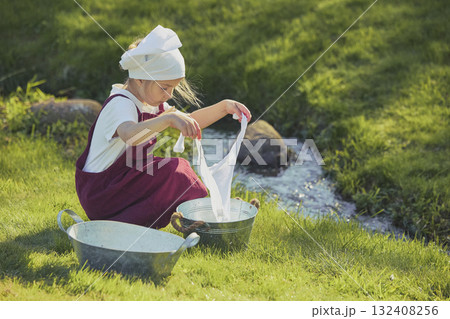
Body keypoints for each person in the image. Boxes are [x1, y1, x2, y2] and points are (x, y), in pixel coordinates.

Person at [75, 25, 252, 229]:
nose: (169, 95)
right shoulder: (121, 104)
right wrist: (167, 119)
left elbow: (190, 121)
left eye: (173, 88)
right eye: (165, 87)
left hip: (121, 184)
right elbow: (130, 134)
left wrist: (224, 107)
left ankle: (199, 216)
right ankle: (201, 218)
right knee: (175, 172)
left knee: (176, 174)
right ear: (140, 79)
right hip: (102, 192)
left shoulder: (150, 102)